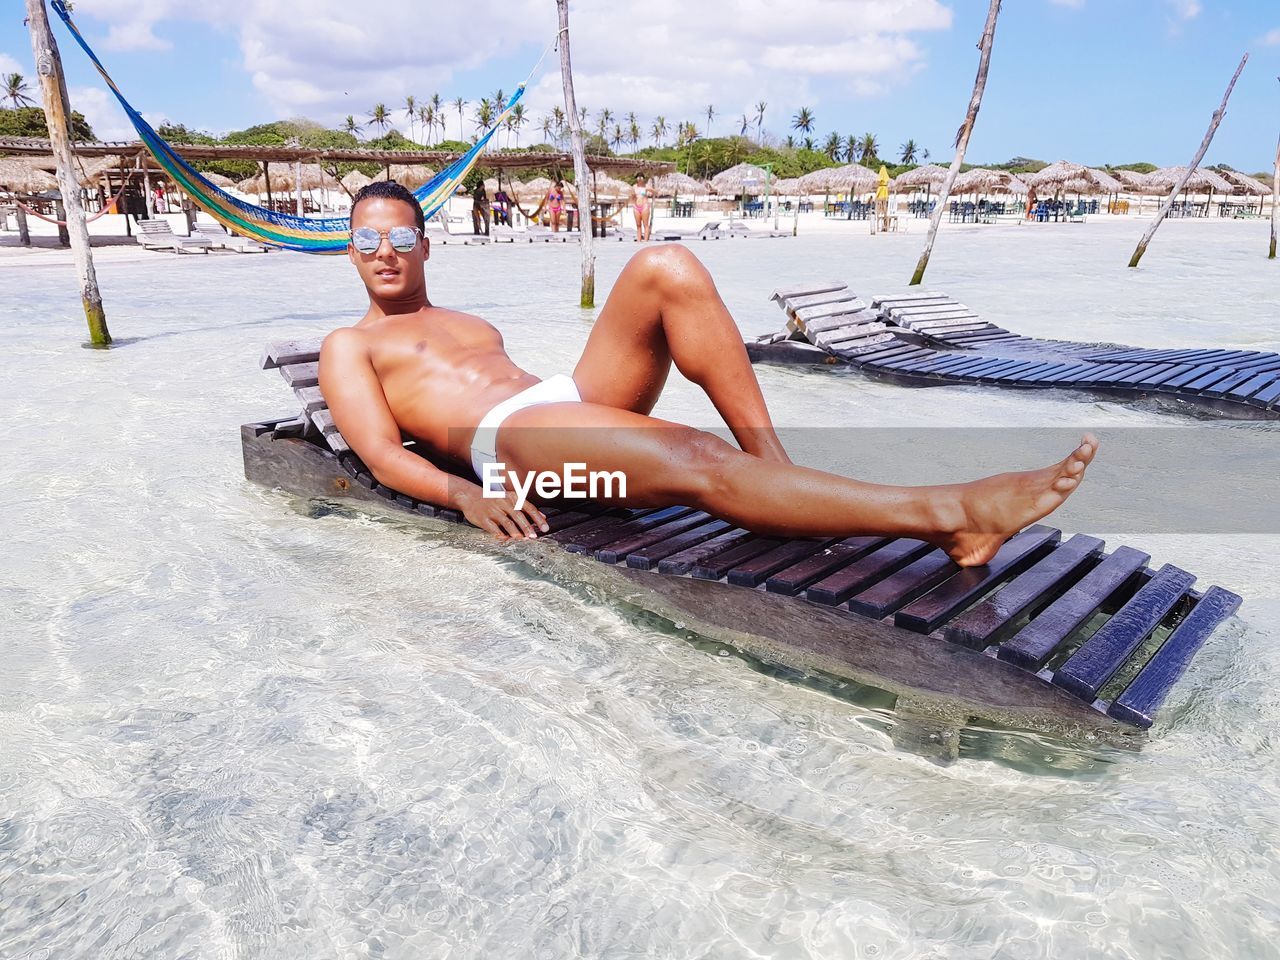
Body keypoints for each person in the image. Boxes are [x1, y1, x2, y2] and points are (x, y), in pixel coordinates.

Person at [319, 181, 1097, 564]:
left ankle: (776, 471)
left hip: (558, 404)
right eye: (364, 242)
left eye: (398, 237)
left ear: (426, 243)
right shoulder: (347, 348)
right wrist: (462, 492)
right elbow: (384, 456)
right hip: (506, 446)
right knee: (691, 454)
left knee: (667, 263)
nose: (382, 253)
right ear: (349, 251)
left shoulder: (470, 323)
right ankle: (954, 513)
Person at [630, 174, 652, 241]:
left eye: (641, 177)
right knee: (638, 225)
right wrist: (633, 204)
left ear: (643, 178)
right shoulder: (634, 187)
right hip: (636, 206)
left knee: (645, 225)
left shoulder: (646, 186)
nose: (639, 178)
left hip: (644, 206)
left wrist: (650, 190)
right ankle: (638, 241)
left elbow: (656, 192)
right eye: (638, 177)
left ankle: (645, 241)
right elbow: (632, 197)